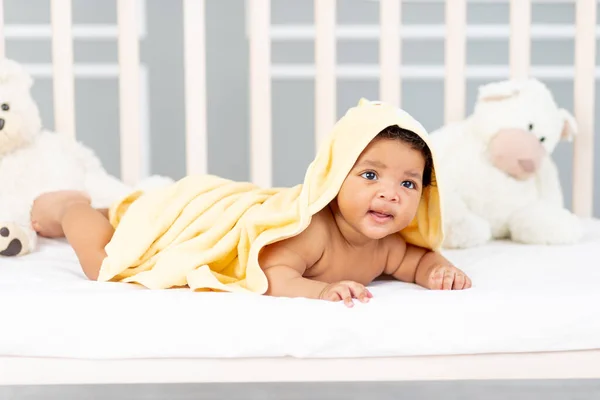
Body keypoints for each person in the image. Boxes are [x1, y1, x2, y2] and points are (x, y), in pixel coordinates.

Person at [30, 125, 471, 307]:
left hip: (231, 201)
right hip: (208, 212)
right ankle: (75, 208)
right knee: (106, 262)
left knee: (130, 215)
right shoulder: (311, 232)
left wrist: (441, 271)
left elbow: (418, 261)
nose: (389, 194)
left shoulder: (388, 246)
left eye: (408, 183)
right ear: (333, 179)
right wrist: (321, 292)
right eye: (370, 174)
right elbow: (271, 274)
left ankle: (118, 208)